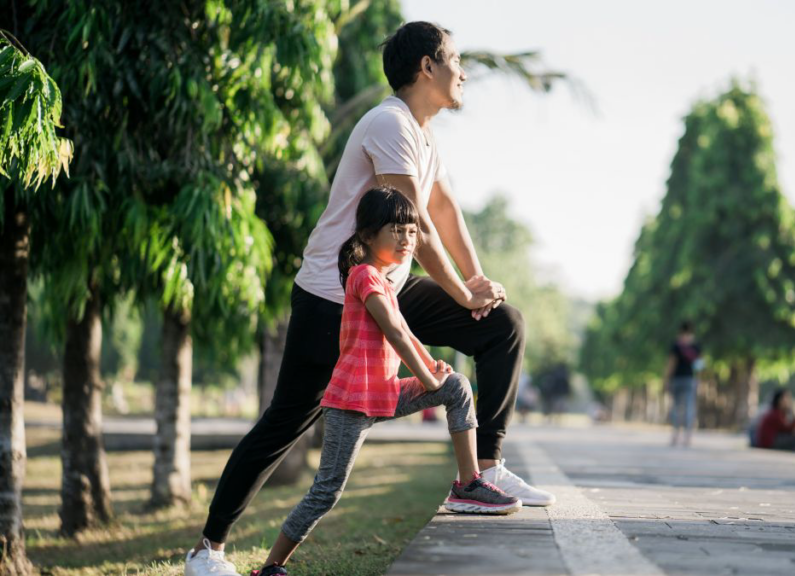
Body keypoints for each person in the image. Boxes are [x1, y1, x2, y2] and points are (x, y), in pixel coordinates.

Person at [185, 22, 553, 576]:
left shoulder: (425, 135)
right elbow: (418, 225)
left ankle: (481, 472)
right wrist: (460, 289)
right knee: (287, 420)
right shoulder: (388, 123)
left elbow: (447, 212)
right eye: (455, 59)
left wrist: (479, 288)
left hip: (389, 287)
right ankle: (207, 551)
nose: (464, 72)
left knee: (501, 325)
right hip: (335, 295)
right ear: (426, 67)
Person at [249, 188, 521, 576]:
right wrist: (426, 378)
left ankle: (468, 482)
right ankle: (271, 567)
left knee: (457, 386)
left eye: (412, 231)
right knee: (326, 493)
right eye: (396, 230)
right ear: (366, 235)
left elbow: (407, 335)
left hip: (385, 393)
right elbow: (393, 330)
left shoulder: (386, 281)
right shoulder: (364, 277)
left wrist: (433, 368)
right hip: (350, 401)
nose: (407, 239)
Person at [664, 321, 702, 447]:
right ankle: (687, 437)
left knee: (676, 407)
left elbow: (671, 364)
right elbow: (699, 366)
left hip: (677, 379)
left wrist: (666, 379)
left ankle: (675, 435)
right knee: (689, 407)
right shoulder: (696, 346)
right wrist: (699, 380)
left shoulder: (676, 346)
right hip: (690, 380)